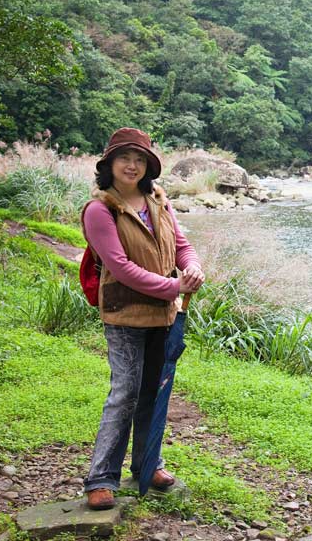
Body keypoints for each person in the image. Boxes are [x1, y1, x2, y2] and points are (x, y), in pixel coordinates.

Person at [81, 127, 205, 510]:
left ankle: (148, 465)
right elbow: (120, 267)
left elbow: (181, 245)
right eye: (124, 158)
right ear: (110, 164)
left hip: (163, 314)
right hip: (124, 315)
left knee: (155, 390)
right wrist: (174, 287)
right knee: (126, 394)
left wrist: (192, 267)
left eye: (139, 159)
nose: (132, 165)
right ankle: (101, 478)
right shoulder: (99, 210)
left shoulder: (157, 199)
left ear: (148, 166)